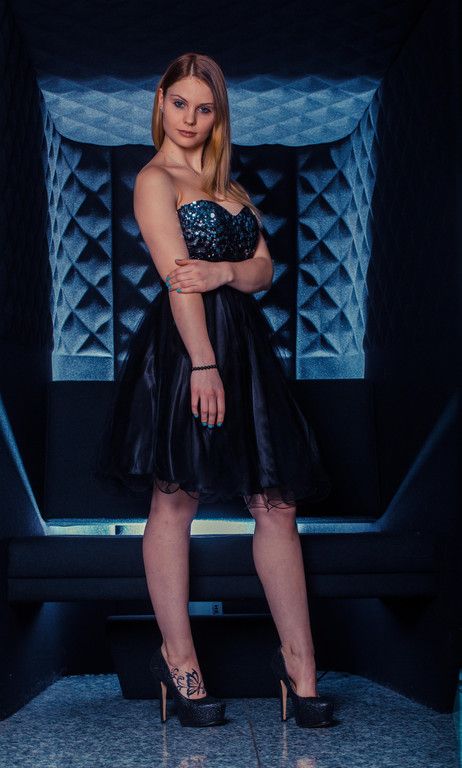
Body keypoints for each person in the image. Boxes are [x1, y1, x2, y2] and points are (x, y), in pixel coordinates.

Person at [94, 52, 334, 728]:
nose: (190, 119)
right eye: (180, 104)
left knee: (276, 502)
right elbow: (179, 280)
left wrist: (226, 272)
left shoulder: (230, 187)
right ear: (160, 101)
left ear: (217, 115)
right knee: (175, 499)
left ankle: (301, 669)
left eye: (204, 108)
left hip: (246, 350)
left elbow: (264, 270)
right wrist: (203, 363)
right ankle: (180, 665)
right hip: (186, 348)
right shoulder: (155, 179)